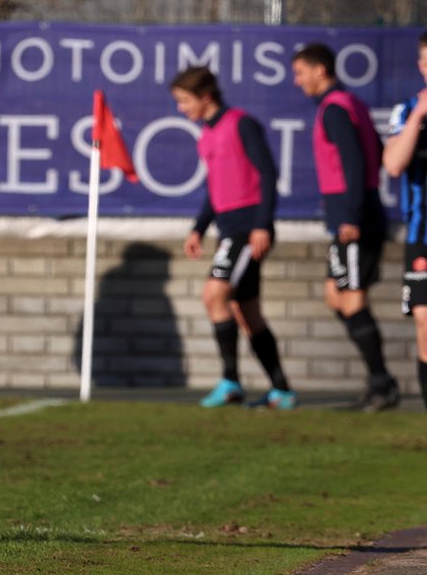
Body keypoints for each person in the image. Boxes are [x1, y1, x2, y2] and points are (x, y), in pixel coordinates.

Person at [170, 67, 296, 410]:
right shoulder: (207, 136)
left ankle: (230, 382)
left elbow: (268, 173)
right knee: (246, 312)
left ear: (205, 97)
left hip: (247, 229)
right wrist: (198, 227)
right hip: (229, 229)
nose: (181, 109)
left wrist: (263, 225)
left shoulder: (241, 123)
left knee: (214, 295)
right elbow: (215, 188)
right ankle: (281, 390)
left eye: (184, 101)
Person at [292, 42, 400, 411]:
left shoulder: (336, 108)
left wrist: (351, 214)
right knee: (335, 296)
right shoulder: (349, 104)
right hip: (348, 212)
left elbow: (354, 163)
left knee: (352, 298)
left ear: (320, 70)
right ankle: (379, 380)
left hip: (355, 214)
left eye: (301, 72)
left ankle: (382, 384)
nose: (298, 81)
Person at [382, 30, 427, 411]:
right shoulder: (407, 110)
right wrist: (418, 116)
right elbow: (394, 163)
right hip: (421, 237)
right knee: (426, 324)